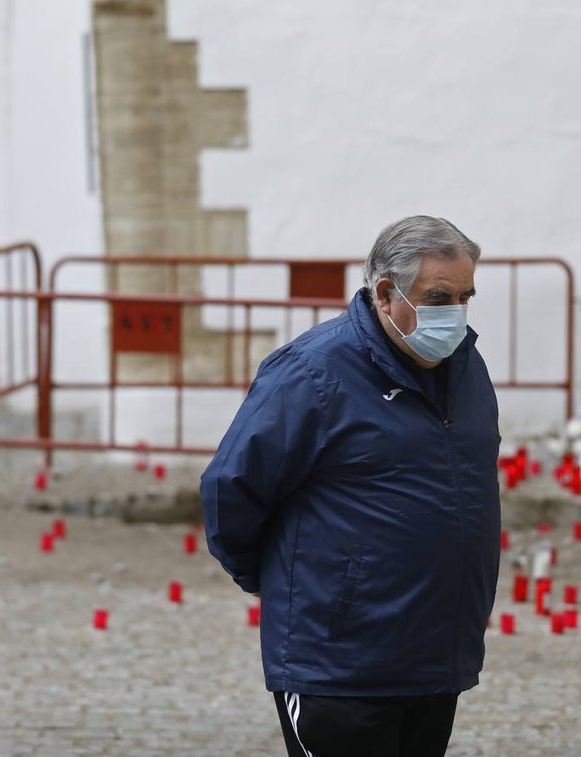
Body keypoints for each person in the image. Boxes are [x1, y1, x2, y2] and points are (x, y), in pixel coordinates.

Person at [200, 215, 501, 757]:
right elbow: (231, 488)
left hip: (434, 656)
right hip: (341, 663)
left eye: (465, 297)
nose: (454, 313)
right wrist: (283, 582)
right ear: (386, 293)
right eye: (438, 296)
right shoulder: (313, 372)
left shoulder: (463, 366)